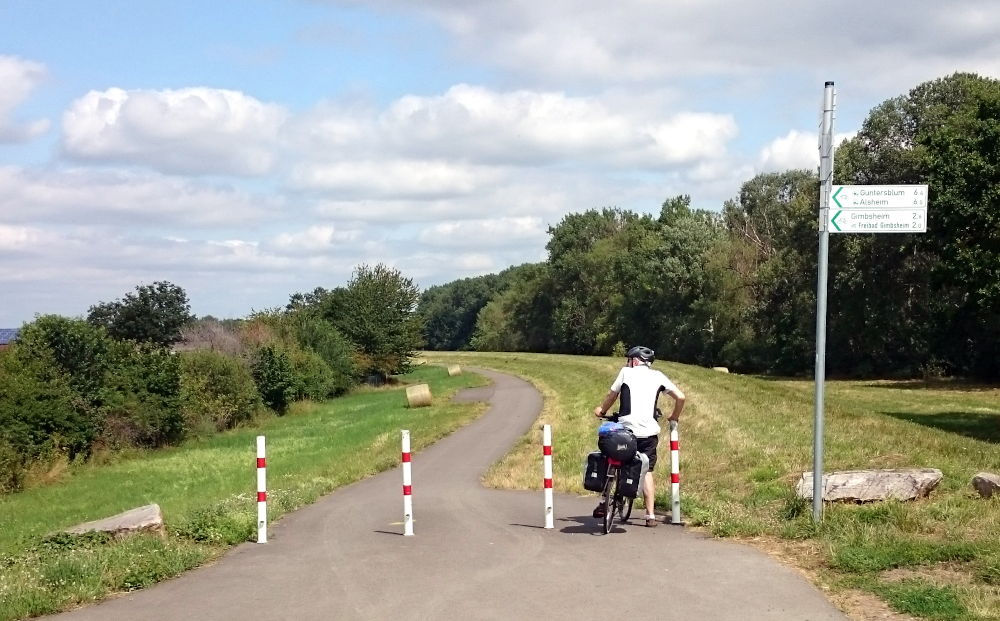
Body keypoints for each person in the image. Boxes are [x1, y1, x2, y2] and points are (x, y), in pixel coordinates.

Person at [592, 345, 685, 527]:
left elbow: (612, 395)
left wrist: (602, 410)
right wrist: (675, 416)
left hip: (627, 432)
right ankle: (650, 516)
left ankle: (604, 501)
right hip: (648, 433)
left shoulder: (626, 372)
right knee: (646, 470)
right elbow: (681, 397)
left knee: (610, 456)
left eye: (628, 359)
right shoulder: (658, 376)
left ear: (634, 361)